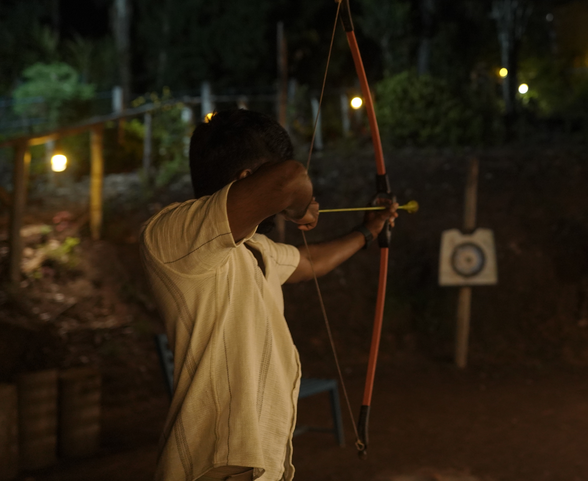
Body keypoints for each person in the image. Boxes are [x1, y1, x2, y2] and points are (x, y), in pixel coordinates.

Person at [140, 109, 397, 481]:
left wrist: (368, 231)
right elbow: (292, 179)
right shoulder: (173, 234)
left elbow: (309, 261)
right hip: (214, 465)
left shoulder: (254, 248)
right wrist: (293, 205)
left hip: (254, 463)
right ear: (247, 179)